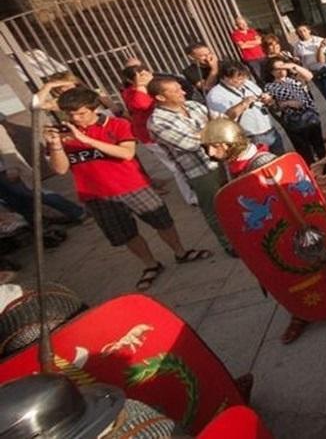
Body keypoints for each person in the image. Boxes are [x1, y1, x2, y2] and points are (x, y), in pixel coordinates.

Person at [46, 88, 210, 291]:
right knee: (125, 233)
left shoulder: (116, 124)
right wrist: (55, 146)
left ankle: (180, 251)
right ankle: (150, 264)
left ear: (94, 108)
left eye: (81, 113)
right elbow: (60, 169)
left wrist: (86, 140)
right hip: (96, 194)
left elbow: (126, 153)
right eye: (70, 115)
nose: (75, 118)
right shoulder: (63, 136)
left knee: (162, 221)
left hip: (132, 185)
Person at [200, 118, 309, 344]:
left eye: (214, 146)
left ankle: (303, 311)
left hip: (286, 231)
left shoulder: (263, 162)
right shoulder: (231, 163)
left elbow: (288, 200)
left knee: (295, 269)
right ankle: (299, 308)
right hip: (263, 231)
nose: (210, 153)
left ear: (230, 144)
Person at [145, 76, 235, 257]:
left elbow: (222, 121)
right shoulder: (158, 121)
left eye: (181, 88)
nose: (183, 92)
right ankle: (229, 243)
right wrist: (212, 132)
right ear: (161, 97)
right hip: (199, 171)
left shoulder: (193, 106)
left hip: (221, 161)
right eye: (176, 91)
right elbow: (190, 143)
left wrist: (215, 128)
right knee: (214, 208)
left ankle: (241, 232)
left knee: (231, 200)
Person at [120, 64, 198, 206]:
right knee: (176, 167)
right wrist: (140, 86)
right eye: (141, 75)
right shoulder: (133, 93)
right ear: (132, 80)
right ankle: (191, 197)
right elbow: (142, 105)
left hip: (166, 131)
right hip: (151, 136)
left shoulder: (154, 87)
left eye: (146, 73)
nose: (146, 77)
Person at [205, 61, 286, 156]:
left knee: (282, 160)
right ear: (224, 78)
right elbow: (224, 120)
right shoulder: (215, 95)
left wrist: (267, 99)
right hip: (250, 138)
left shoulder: (247, 83)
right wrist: (243, 104)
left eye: (244, 77)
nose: (242, 81)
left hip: (270, 130)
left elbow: (260, 95)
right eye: (237, 78)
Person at [263, 56, 324, 164]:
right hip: (294, 121)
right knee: (305, 152)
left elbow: (309, 76)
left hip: (310, 115)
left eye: (283, 67)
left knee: (319, 146)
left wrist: (293, 66)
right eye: (277, 69)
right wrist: (287, 103)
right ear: (271, 72)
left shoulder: (294, 78)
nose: (281, 71)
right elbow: (273, 106)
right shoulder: (270, 87)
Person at [291, 24, 326, 107]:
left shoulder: (319, 40)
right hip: (311, 70)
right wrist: (296, 59)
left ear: (309, 30)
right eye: (300, 32)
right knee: (322, 89)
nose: (302, 33)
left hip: (323, 67)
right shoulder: (298, 45)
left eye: (304, 30)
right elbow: (297, 56)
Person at [230, 16, 266, 82]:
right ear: (237, 25)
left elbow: (259, 41)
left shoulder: (252, 31)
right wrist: (254, 42)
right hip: (250, 58)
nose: (243, 25)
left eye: (244, 23)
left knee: (267, 72)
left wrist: (247, 43)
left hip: (261, 55)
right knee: (258, 76)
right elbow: (242, 46)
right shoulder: (235, 34)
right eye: (241, 23)